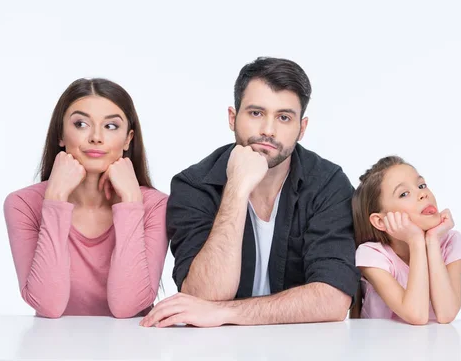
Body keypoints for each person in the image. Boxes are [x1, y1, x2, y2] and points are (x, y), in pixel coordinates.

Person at [141, 57, 359, 328]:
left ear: (301, 129)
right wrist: (236, 189)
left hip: (303, 348)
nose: (268, 130)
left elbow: (333, 299)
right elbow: (202, 294)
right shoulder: (194, 185)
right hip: (218, 351)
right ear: (233, 118)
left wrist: (226, 313)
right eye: (256, 113)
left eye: (283, 117)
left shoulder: (327, 184)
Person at [4, 78, 168, 318]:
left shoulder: (156, 206)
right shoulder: (22, 205)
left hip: (131, 350)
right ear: (60, 135)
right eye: (81, 124)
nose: (96, 137)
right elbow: (48, 305)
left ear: (128, 139)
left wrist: (131, 201)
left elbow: (127, 307)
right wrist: (56, 199)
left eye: (111, 126)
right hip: (53, 350)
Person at [350, 156, 461, 324]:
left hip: (429, 346)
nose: (423, 194)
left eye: (421, 185)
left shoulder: (450, 242)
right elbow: (416, 315)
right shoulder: (372, 255)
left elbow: (447, 314)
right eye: (404, 194)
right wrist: (415, 241)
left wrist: (431, 241)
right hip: (381, 347)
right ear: (381, 221)